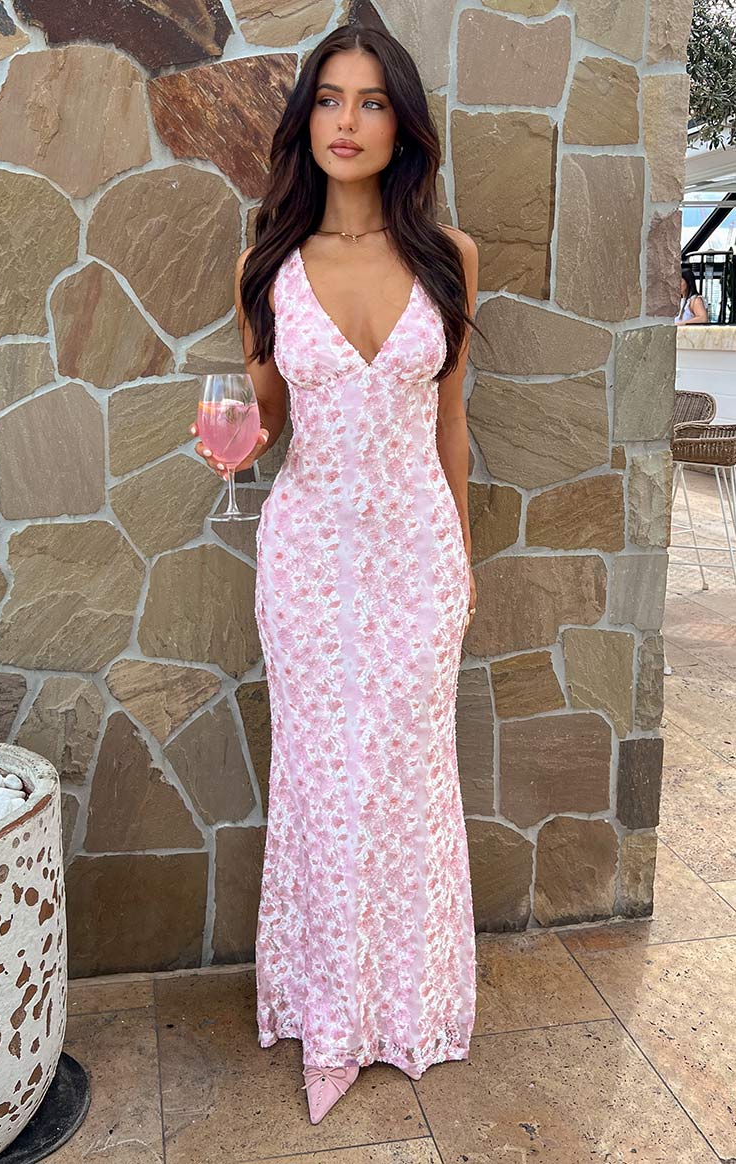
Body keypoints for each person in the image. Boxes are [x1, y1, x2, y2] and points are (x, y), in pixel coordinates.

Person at [190, 22, 485, 1125]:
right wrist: (233, 443)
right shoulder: (264, 264)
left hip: (415, 559)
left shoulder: (448, 258)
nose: (346, 122)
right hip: (309, 565)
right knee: (322, 785)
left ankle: (407, 1008)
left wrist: (461, 564)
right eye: (328, 100)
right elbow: (267, 417)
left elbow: (452, 426)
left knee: (409, 788)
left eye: (369, 102)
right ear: (304, 120)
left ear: (400, 123)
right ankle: (328, 1014)